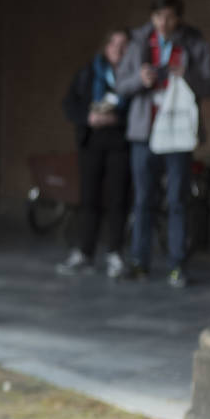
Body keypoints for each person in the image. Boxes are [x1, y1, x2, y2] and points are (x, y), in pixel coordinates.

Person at [116, 0, 210, 287]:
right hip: (144, 133)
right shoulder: (138, 44)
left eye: (170, 16)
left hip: (178, 135)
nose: (164, 22)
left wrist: (187, 75)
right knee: (143, 199)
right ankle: (140, 262)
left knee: (177, 200)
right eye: (158, 16)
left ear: (179, 18)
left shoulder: (194, 43)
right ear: (151, 17)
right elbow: (121, 84)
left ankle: (177, 265)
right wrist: (140, 80)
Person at [57, 29, 131, 278]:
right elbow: (69, 104)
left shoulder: (132, 76)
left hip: (120, 143)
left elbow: (138, 109)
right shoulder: (89, 72)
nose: (118, 50)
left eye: (124, 46)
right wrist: (88, 118)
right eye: (114, 44)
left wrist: (115, 118)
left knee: (117, 199)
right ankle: (84, 252)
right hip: (91, 141)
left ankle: (115, 253)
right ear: (105, 46)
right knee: (88, 199)